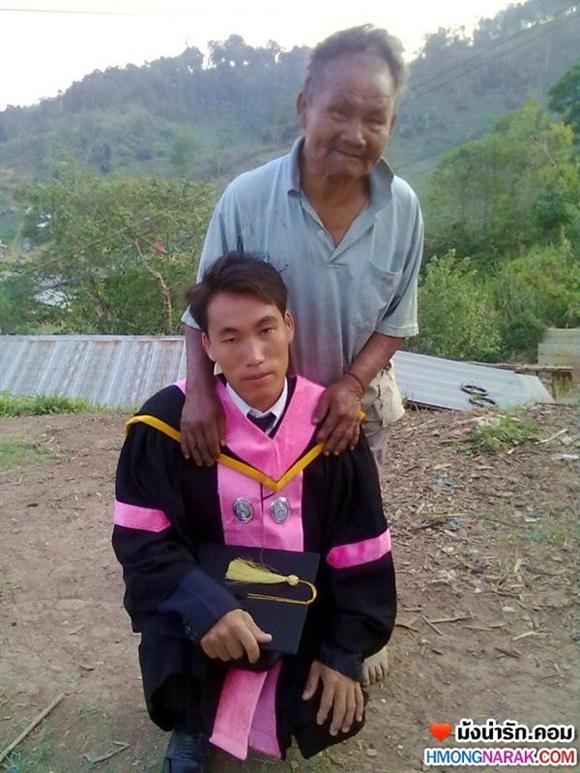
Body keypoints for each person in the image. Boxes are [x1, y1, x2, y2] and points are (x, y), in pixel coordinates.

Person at [179, 25, 422, 686]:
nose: (356, 132)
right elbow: (202, 311)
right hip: (253, 408)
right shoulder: (247, 198)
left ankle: (347, 636)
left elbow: (396, 319)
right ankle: (245, 642)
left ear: (392, 124)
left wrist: (352, 384)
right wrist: (198, 394)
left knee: (345, 521)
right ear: (304, 107)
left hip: (342, 408)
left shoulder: (402, 209)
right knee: (248, 525)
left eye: (375, 118)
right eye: (339, 111)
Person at [112, 253, 396, 772]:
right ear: (207, 346)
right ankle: (192, 725)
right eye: (231, 338)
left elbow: (360, 549)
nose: (255, 356)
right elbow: (144, 544)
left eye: (266, 330)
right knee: (176, 617)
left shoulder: (331, 425)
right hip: (203, 622)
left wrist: (344, 652)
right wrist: (206, 607)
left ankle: (295, 699)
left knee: (325, 696)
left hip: (303, 612)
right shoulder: (165, 428)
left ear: (288, 325)